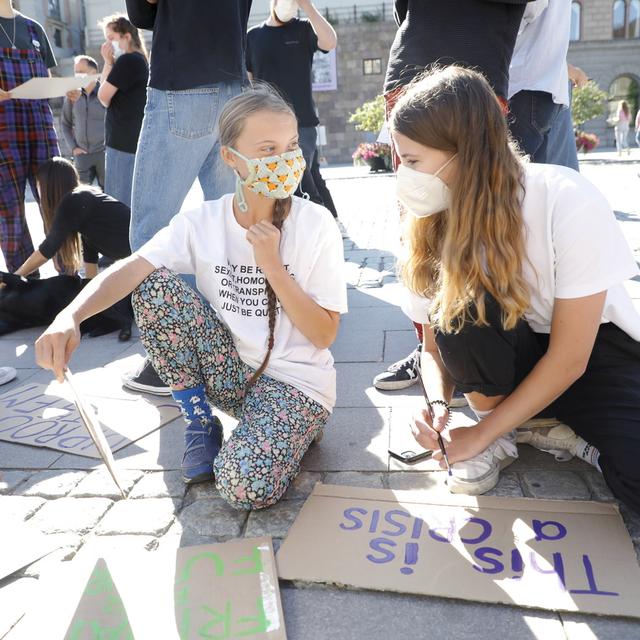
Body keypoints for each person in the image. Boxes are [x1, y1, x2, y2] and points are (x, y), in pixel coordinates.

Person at [34, 87, 348, 509]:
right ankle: (201, 422)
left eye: (291, 145)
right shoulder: (202, 221)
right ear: (231, 159)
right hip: (231, 373)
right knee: (152, 285)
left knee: (243, 487)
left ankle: (296, 428)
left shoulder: (316, 224)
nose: (286, 160)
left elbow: (325, 333)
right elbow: (131, 269)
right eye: (268, 148)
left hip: (297, 385)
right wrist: (69, 316)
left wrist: (272, 265)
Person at [391, 66, 640, 515]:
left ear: (464, 152)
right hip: (508, 359)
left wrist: (475, 435)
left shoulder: (564, 198)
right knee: (459, 304)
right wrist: (438, 407)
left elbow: (570, 358)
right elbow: (432, 345)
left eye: (412, 161)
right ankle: (509, 426)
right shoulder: (428, 221)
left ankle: (543, 428)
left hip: (594, 353)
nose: (403, 176)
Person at [374, 0, 528, 393]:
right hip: (413, 68)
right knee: (422, 215)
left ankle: (476, 338)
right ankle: (433, 341)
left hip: (478, 76)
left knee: (484, 213)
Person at [122, 0, 252, 396]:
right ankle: (247, 348)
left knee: (152, 233)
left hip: (184, 84)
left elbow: (143, 13)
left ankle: (175, 362)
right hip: (234, 83)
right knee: (235, 226)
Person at [246, 0, 337, 211]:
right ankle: (330, 218)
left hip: (301, 121)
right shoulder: (253, 36)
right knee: (307, 173)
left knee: (298, 175)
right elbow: (250, 82)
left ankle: (321, 219)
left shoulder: (303, 28)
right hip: (268, 123)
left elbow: (330, 42)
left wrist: (308, 7)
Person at [0, 0, 59, 273]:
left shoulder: (34, 29)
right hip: (3, 128)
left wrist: (64, 90)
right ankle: (24, 286)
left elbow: (47, 77)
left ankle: (68, 276)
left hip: (40, 124)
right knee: (9, 212)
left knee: (55, 200)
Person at [13, 157, 131, 280]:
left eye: (38, 184)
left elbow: (47, 249)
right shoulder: (82, 202)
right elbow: (91, 258)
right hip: (139, 252)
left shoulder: (73, 201)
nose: (37, 190)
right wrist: (88, 288)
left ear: (50, 185)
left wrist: (13, 277)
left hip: (141, 251)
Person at [507, 0, 571, 163]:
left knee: (512, 172)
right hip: (549, 88)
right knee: (532, 174)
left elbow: (529, 9)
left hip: (527, 83)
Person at [98, 14, 149, 208]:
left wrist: (109, 63)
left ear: (126, 37)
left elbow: (103, 96)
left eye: (111, 38)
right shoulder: (140, 59)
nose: (108, 44)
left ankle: (120, 240)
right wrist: (109, 63)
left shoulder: (128, 61)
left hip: (122, 143)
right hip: (130, 141)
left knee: (118, 203)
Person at [61, 56, 106, 188]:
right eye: (76, 71)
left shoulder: (104, 92)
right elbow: (65, 123)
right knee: (81, 195)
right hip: (81, 156)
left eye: (81, 71)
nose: (77, 75)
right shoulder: (72, 95)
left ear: (93, 72)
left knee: (110, 194)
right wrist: (73, 148)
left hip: (103, 154)